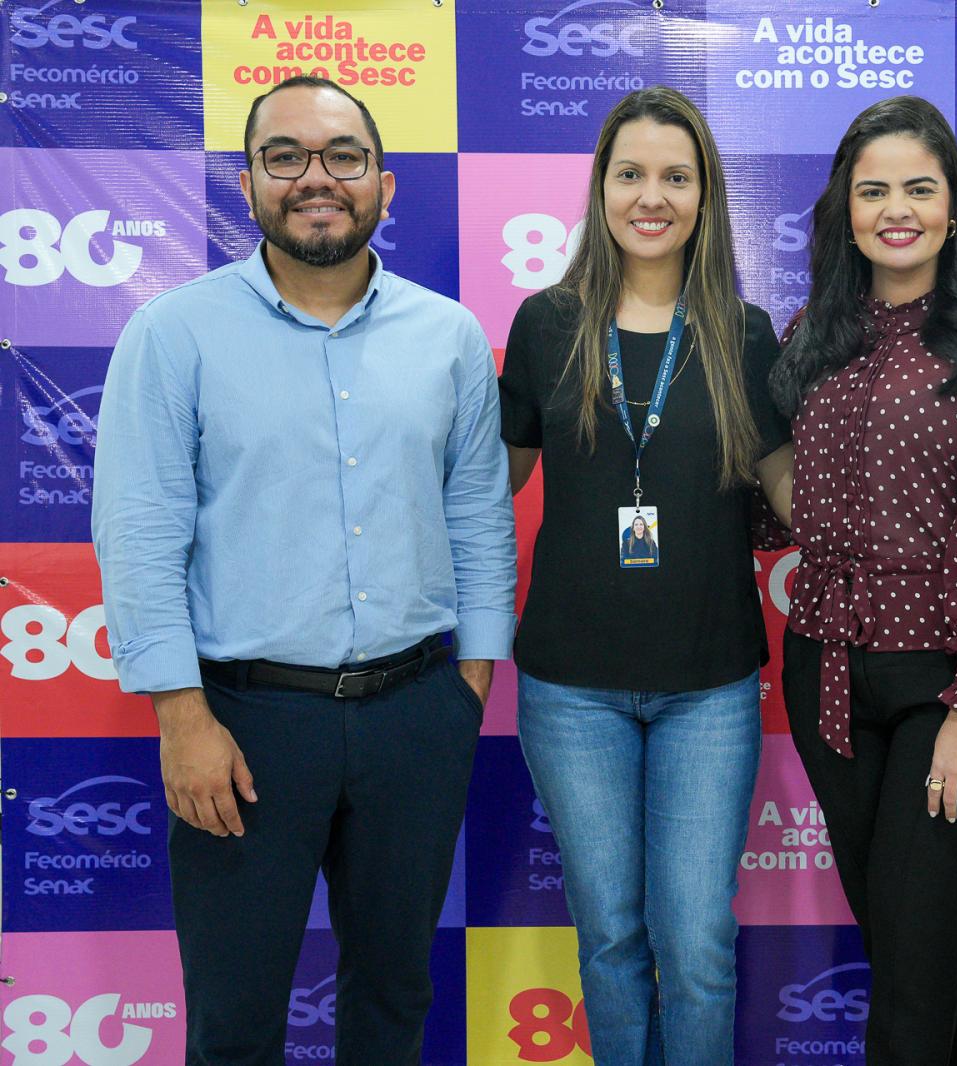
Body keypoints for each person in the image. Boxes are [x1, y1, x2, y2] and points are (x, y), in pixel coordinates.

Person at [91, 76, 515, 1064]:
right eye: (284, 157)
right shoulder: (174, 333)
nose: (315, 178)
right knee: (235, 1021)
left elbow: (477, 516)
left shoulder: (448, 335)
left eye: (342, 157)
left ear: (384, 184)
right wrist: (182, 717)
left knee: (394, 1001)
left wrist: (468, 687)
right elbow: (141, 533)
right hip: (241, 725)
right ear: (246, 184)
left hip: (417, 714)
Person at [497, 87, 793, 1065]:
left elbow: (799, 499)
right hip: (570, 688)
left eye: (676, 176)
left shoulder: (745, 334)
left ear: (706, 195)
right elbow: (486, 487)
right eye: (630, 174)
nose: (651, 196)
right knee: (612, 937)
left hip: (708, 687)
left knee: (696, 943)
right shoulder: (546, 324)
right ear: (601, 188)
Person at [767, 96, 957, 1064]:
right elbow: (781, 500)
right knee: (905, 964)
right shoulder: (810, 338)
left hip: (950, 681)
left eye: (919, 188)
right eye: (873, 190)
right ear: (845, 211)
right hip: (826, 671)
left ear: (952, 208)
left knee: (914, 970)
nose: (896, 209)